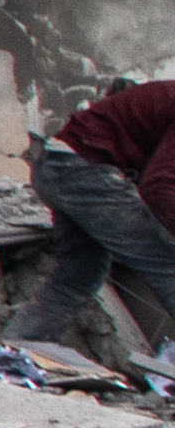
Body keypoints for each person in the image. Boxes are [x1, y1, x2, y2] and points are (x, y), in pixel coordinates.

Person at [13, 78, 175, 371]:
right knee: (168, 263)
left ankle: (16, 345)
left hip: (54, 166)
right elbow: (158, 187)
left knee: (78, 273)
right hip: (84, 170)